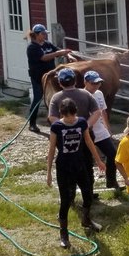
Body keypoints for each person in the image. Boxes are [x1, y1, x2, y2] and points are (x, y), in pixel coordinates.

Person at [46, 98, 106, 247]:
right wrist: (48, 173)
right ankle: (64, 234)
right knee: (66, 201)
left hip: (80, 165)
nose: (71, 119)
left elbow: (88, 142)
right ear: (62, 114)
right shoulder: (56, 127)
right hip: (64, 168)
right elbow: (52, 149)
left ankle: (86, 220)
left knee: (88, 195)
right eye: (67, 116)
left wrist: (98, 160)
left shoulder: (81, 123)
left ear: (75, 113)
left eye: (72, 115)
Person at [26, 24, 72, 133]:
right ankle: (32, 123)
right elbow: (44, 58)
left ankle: (54, 119)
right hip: (38, 77)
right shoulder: (32, 47)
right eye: (43, 33)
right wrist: (59, 53)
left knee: (53, 98)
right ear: (36, 35)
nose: (45, 35)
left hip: (51, 76)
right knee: (38, 98)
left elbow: (58, 51)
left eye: (45, 33)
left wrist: (68, 55)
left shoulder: (47, 44)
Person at [83, 70, 120, 193]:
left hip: (100, 130)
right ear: (86, 82)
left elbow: (103, 111)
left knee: (113, 154)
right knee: (88, 160)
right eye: (93, 83)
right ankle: (89, 189)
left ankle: (111, 181)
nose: (96, 85)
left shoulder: (99, 93)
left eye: (98, 83)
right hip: (87, 132)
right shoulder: (81, 95)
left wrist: (107, 128)